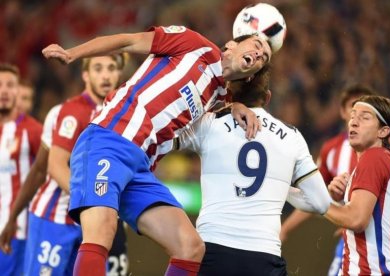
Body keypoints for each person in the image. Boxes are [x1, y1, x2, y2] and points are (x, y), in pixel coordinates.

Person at [42, 25, 270, 275]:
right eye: (257, 45)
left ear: (251, 75)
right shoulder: (193, 43)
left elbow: (218, 109)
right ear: (231, 45)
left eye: (264, 58)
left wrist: (236, 105)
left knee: (190, 247)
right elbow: (128, 41)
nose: (259, 54)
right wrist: (72, 53)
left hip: (141, 169)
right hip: (109, 140)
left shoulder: (219, 96)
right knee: (102, 231)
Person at [175, 65, 332, 275]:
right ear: (267, 98)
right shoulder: (292, 137)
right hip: (264, 256)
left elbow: (166, 135)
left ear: (228, 93)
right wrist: (279, 186)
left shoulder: (210, 124)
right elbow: (321, 203)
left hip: (213, 250)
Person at [0, 55, 130, 275]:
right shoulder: (66, 112)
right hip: (55, 217)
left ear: (119, 74)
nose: (106, 75)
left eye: (111, 69)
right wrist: (14, 216)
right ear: (85, 75)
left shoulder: (122, 115)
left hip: (95, 221)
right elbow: (46, 167)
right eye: (98, 69)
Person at [280, 84, 375, 275]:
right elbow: (315, 196)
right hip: (352, 240)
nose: (358, 114)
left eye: (366, 108)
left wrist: (358, 218)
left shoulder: (385, 148)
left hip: (387, 239)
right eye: (353, 107)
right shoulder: (331, 150)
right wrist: (286, 229)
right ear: (342, 112)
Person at [324, 95, 390, 275]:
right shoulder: (383, 160)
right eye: (353, 116)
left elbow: (357, 219)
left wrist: (319, 203)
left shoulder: (374, 158)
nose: (353, 122)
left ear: (383, 131)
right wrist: (338, 200)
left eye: (365, 117)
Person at [0, 63, 43, 275]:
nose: (4, 91)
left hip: (18, 230)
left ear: (18, 91)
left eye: (10, 85)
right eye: (0, 85)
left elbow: (48, 172)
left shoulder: (33, 131)